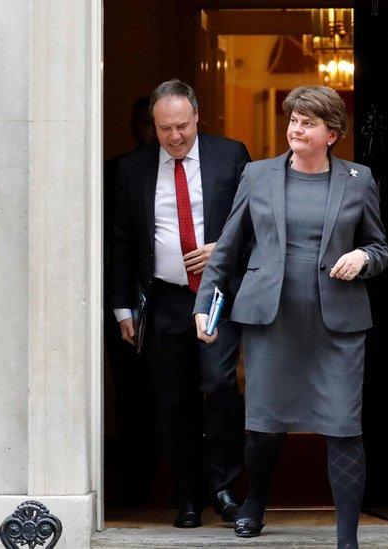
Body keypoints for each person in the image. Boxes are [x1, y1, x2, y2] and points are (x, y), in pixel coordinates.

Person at [193, 85, 388, 548]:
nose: (296, 129)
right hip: (271, 320)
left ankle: (347, 538)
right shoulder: (258, 176)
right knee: (265, 423)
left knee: (344, 425)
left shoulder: (358, 179)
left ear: (332, 134)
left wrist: (363, 257)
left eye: (308, 123)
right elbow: (229, 247)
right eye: (293, 121)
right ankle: (255, 504)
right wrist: (205, 305)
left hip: (337, 324)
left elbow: (381, 247)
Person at [109, 80, 251, 528]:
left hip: (215, 296)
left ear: (198, 118)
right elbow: (122, 241)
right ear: (153, 125)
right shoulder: (131, 169)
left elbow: (256, 223)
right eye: (165, 128)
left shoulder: (230, 156)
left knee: (219, 386)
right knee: (171, 402)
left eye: (182, 127)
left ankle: (224, 488)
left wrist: (223, 247)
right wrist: (122, 307)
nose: (174, 137)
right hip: (163, 298)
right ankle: (187, 497)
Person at [103, 96, 158, 507]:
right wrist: (121, 305)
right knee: (131, 392)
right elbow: (114, 242)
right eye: (149, 123)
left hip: (178, 302)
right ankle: (137, 482)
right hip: (127, 302)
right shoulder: (114, 171)